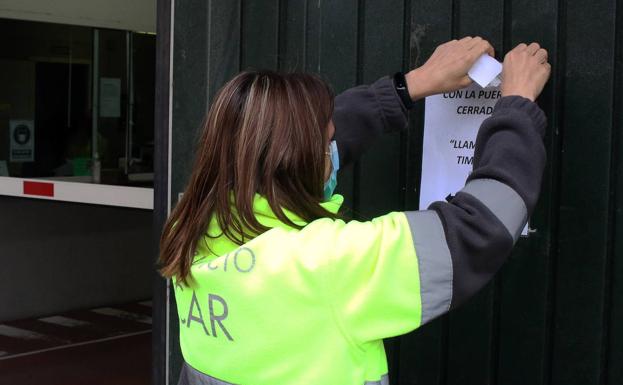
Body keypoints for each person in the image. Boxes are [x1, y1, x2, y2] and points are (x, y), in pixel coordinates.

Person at [159, 37, 551, 385]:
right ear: (296, 160)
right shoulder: (327, 264)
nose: (332, 150)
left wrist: (409, 86)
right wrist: (515, 106)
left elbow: (297, 148)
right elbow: (478, 228)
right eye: (325, 142)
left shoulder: (191, 226)